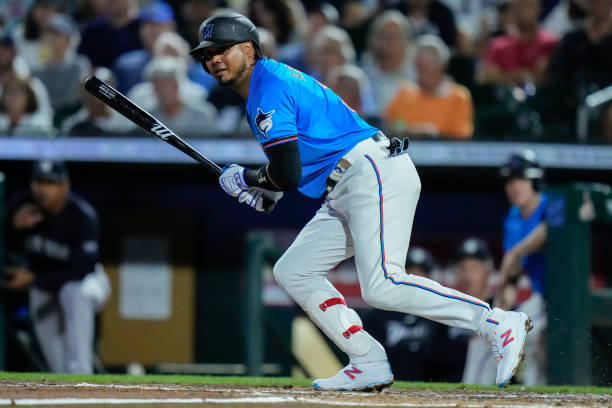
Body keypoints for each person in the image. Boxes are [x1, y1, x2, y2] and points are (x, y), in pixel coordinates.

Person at [189, 11, 532, 391]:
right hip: (347, 184)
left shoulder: (267, 88)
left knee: (382, 285)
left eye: (223, 49)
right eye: (207, 54)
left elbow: (286, 173)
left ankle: (496, 323)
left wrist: (247, 178)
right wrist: (263, 189)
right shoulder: (268, 83)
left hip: (370, 172)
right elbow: (293, 170)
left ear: (250, 50)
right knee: (294, 270)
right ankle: (366, 359)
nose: (214, 59)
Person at [3, 160, 111, 374]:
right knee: (57, 365)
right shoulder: (21, 206)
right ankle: (63, 387)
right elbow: (9, 247)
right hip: (43, 285)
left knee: (72, 292)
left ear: (65, 186)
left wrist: (34, 280)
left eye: (50, 183)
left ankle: (81, 372)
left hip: (87, 281)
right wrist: (12, 227)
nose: (42, 189)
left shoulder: (81, 215)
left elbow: (80, 269)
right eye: (38, 182)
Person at [362, 247, 473, 382]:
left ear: (429, 279)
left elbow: (448, 358)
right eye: (410, 273)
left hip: (429, 389)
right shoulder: (380, 314)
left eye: (421, 274)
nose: (415, 280)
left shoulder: (440, 315)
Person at [497, 150, 548, 385]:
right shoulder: (514, 217)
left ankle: (536, 392)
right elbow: (512, 275)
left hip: (566, 295)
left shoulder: (552, 203)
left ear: (535, 181)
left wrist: (516, 252)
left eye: (521, 179)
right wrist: (498, 312)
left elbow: (546, 232)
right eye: (510, 180)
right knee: (500, 333)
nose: (514, 186)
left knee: (532, 333)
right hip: (542, 298)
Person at [385, 35, 473, 139]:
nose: (419, 74)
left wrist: (435, 135)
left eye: (425, 68)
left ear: (441, 67)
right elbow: (391, 124)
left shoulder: (459, 96)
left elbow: (461, 135)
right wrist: (411, 130)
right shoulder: (405, 92)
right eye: (417, 67)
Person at [478, 0, 558, 87]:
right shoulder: (497, 46)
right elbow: (485, 78)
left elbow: (555, 79)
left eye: (529, 5)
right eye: (519, 6)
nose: (524, 11)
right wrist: (516, 77)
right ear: (512, 10)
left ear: (539, 9)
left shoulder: (551, 44)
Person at [454, 238, 498, 385]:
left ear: (488, 272)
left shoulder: (499, 308)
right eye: (463, 269)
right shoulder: (449, 310)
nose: (467, 276)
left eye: (474, 269)